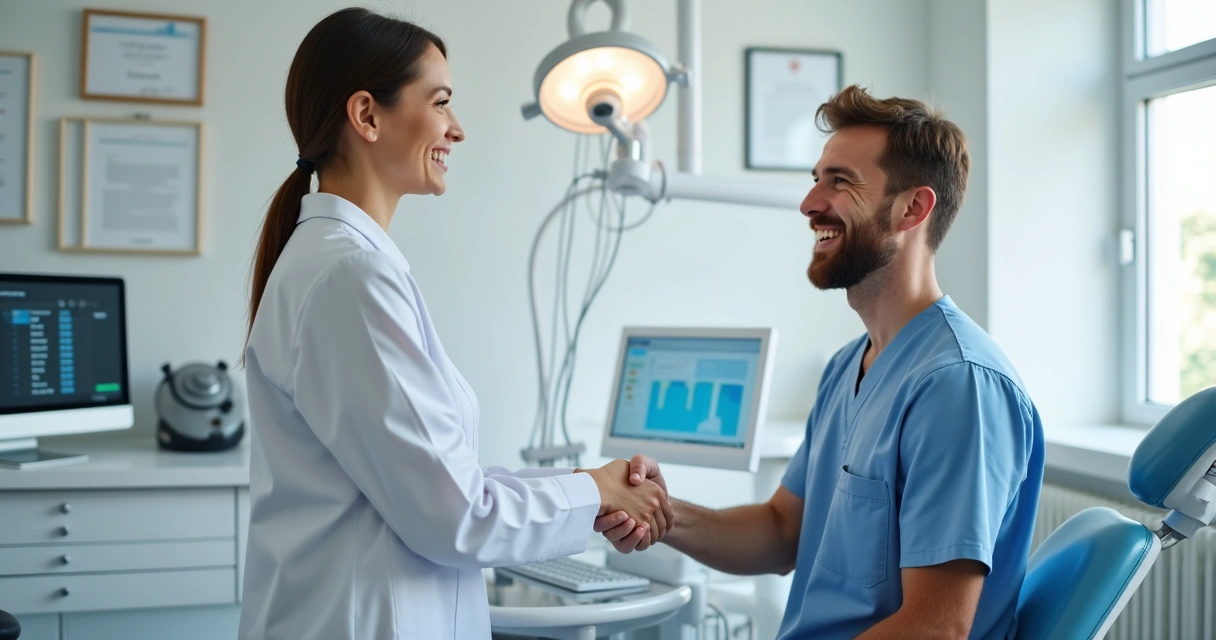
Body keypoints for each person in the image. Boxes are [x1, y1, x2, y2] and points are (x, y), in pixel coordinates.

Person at [237, 9, 670, 640]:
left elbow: (440, 483)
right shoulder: (351, 277)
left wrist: (590, 485)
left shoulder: (342, 265)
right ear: (367, 116)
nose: (457, 129)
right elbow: (457, 517)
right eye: (440, 102)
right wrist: (597, 493)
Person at [600, 86, 1046, 639]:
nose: (810, 203)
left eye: (840, 181)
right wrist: (661, 514)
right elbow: (784, 530)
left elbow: (935, 628)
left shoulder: (957, 386)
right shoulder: (846, 367)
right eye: (816, 179)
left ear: (913, 208)